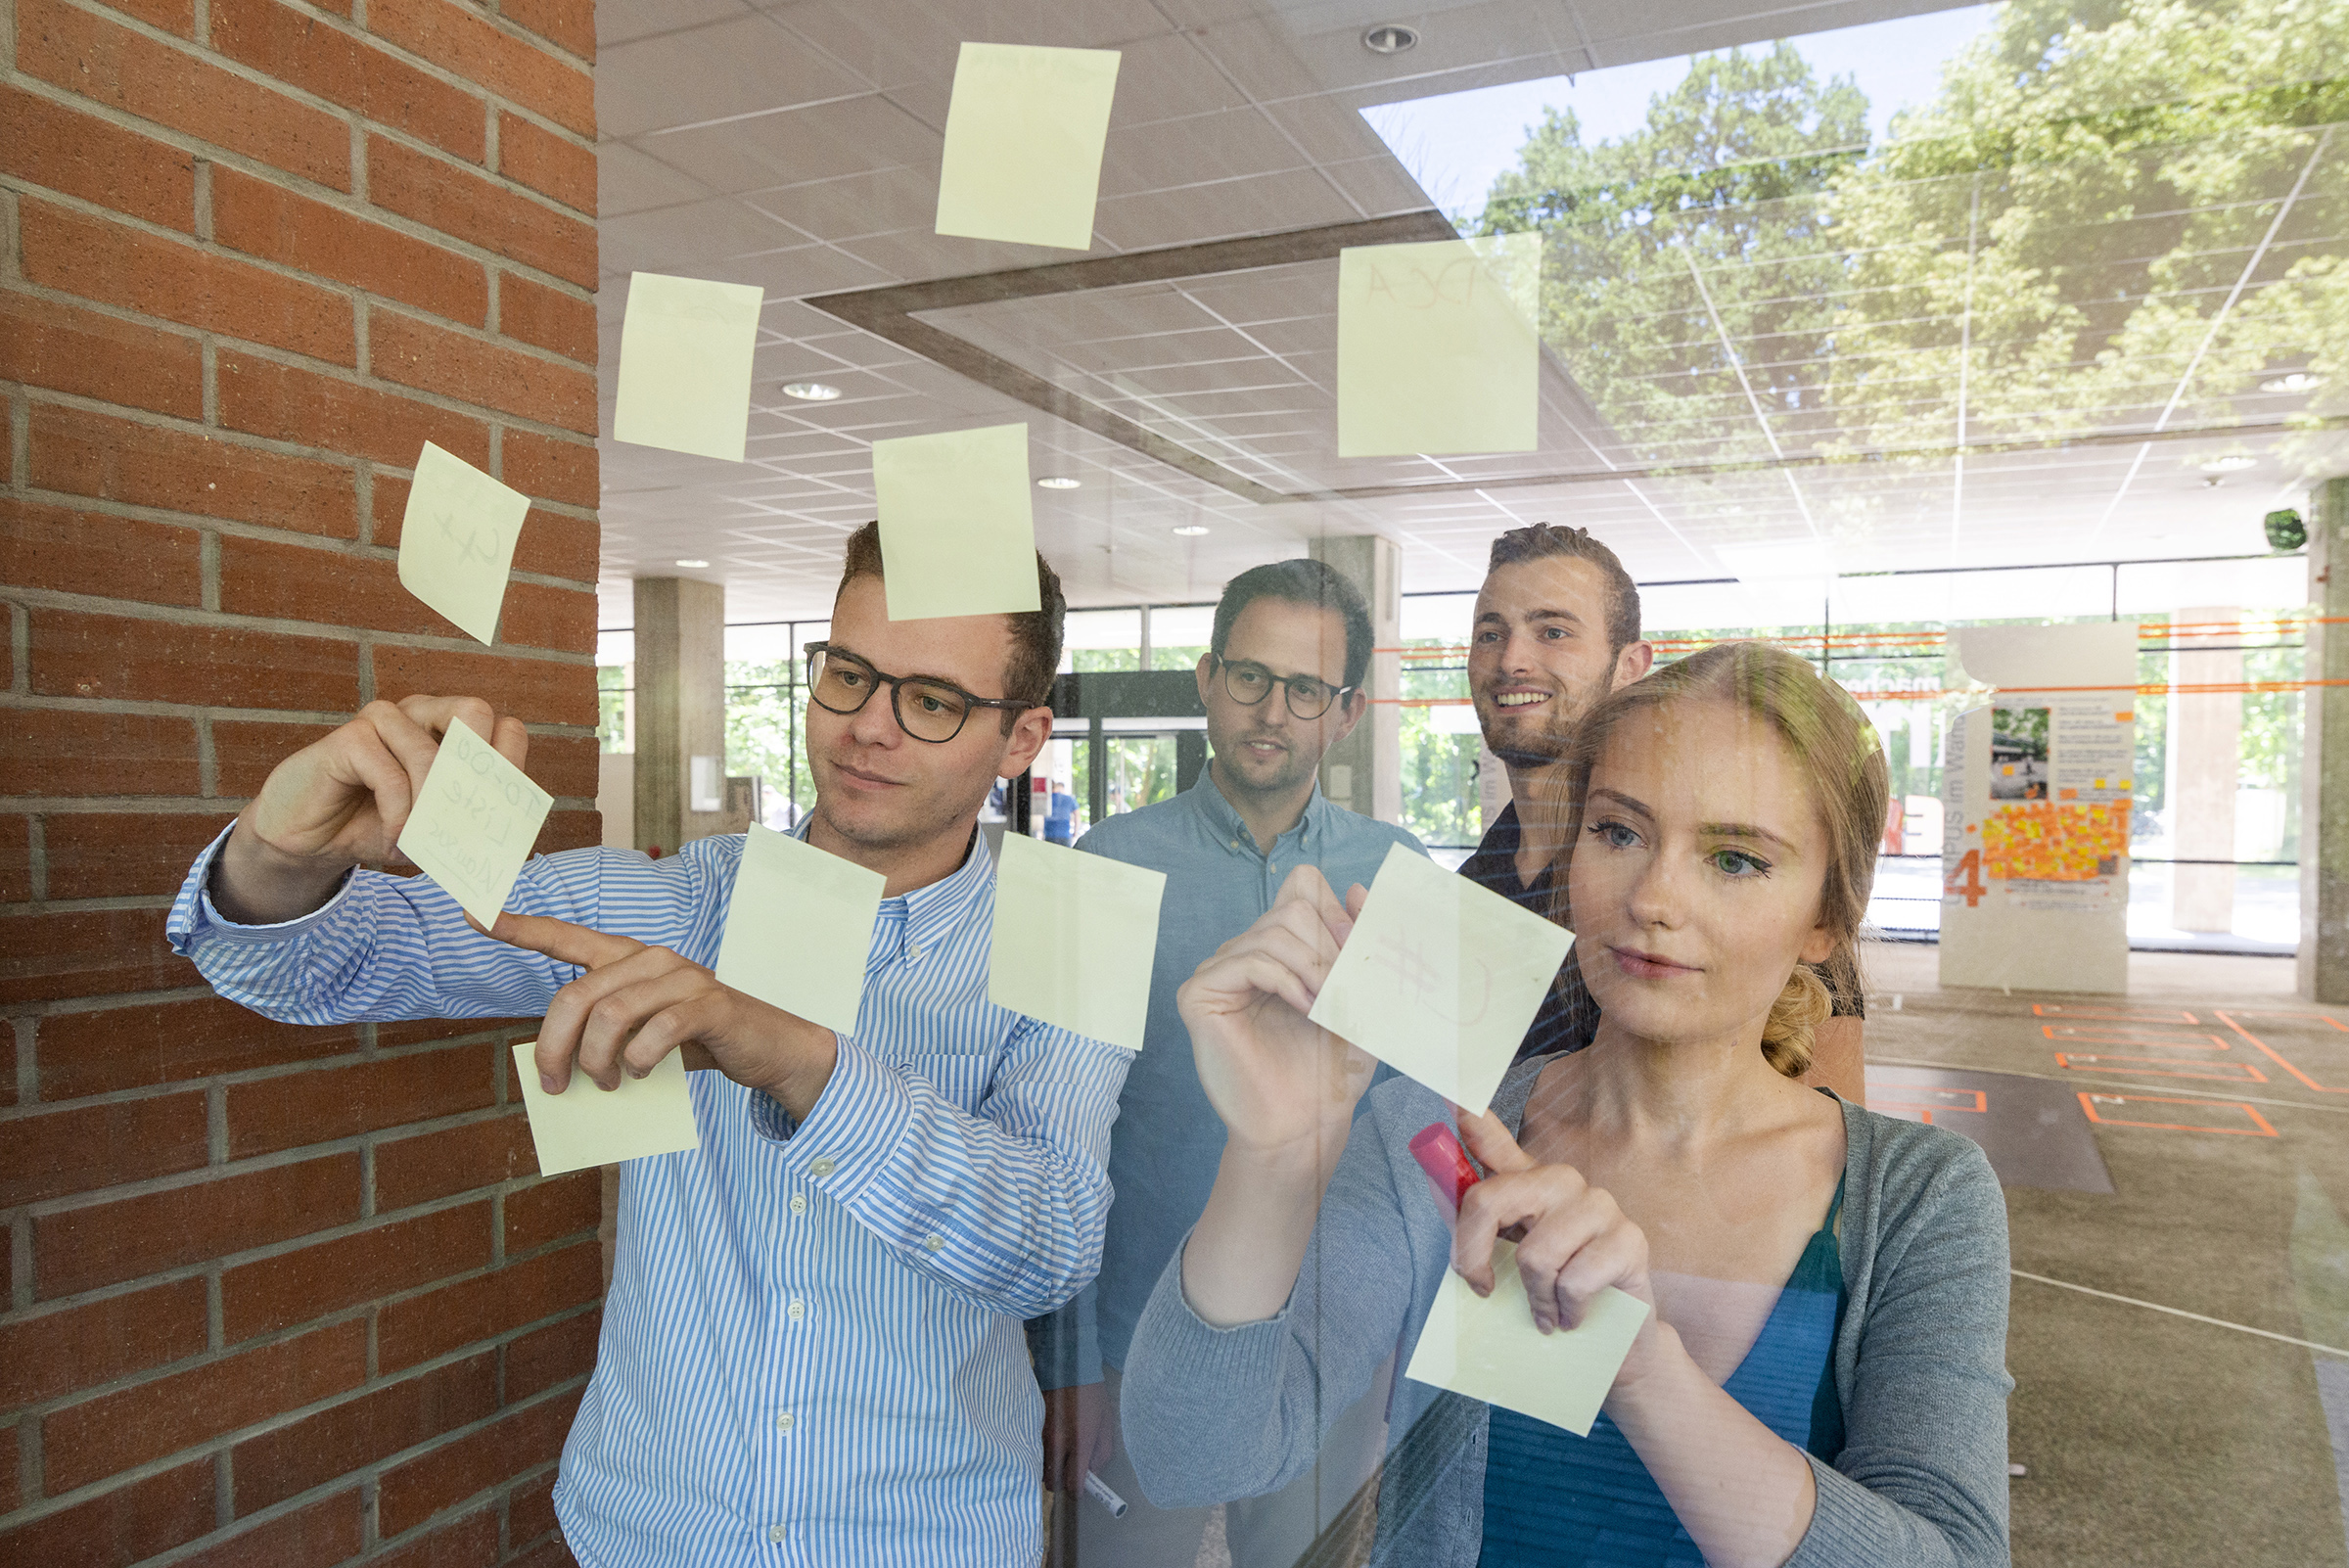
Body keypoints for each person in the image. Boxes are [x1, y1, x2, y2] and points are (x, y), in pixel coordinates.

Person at [165, 524, 1130, 1566]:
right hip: (653, 1526)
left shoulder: (1071, 931)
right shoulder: (675, 900)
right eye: (848, 675)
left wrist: (800, 1061)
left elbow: (1050, 1245)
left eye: (931, 700)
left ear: (1024, 738)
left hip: (921, 1535)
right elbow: (325, 964)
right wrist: (274, 854)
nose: (866, 730)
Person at [1121, 641, 2012, 1566]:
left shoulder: (1917, 1201)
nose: (1654, 898)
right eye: (1619, 833)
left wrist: (1641, 1372)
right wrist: (1273, 1155)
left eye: (1737, 859)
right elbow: (1197, 1458)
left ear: (1828, 916)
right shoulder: (1436, 1136)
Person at [1028, 559, 1428, 1568]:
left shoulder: (1399, 877)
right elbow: (1048, 1136)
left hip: (1325, 1336)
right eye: (1251, 676)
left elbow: (1415, 1133)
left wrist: (1403, 1343)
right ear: (1207, 678)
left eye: (1308, 691)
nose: (1273, 711)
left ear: (1345, 714)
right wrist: (1064, 1360)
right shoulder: (1100, 867)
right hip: (1134, 1340)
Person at [1460, 523, 1865, 1093]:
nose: (1513, 660)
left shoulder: (1768, 900)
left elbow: (1834, 1143)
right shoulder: (1467, 889)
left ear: (1630, 665)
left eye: (1553, 631)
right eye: (1490, 633)